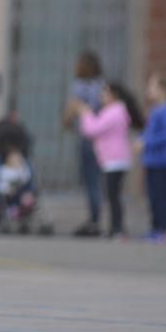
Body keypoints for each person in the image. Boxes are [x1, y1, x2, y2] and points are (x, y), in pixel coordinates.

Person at [76, 82, 145, 238]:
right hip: (113, 160)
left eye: (104, 93)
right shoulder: (115, 111)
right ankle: (116, 227)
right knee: (113, 195)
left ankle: (118, 228)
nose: (101, 97)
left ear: (114, 95)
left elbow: (92, 129)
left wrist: (86, 113)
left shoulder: (115, 111)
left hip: (115, 160)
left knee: (113, 195)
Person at [64, 51, 105, 237]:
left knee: (91, 180)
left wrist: (68, 120)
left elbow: (71, 110)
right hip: (103, 139)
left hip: (88, 139)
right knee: (97, 180)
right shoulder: (102, 86)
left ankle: (94, 220)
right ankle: (96, 217)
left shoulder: (80, 86)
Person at [136, 75, 166, 243]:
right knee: (153, 197)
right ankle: (155, 228)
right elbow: (149, 132)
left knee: (162, 197)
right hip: (152, 161)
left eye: (152, 87)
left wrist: (146, 142)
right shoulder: (155, 110)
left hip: (163, 161)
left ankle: (162, 229)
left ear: (163, 90)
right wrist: (141, 139)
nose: (148, 91)